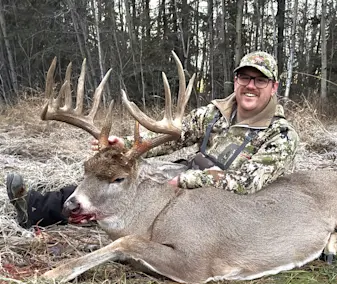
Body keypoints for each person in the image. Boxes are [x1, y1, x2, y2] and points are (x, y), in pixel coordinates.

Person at [7, 51, 299, 229]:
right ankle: (35, 209)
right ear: (236, 81)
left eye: (259, 80)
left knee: (134, 209)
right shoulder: (217, 111)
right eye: (245, 78)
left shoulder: (281, 135)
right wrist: (127, 149)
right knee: (116, 176)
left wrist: (188, 181)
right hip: (185, 173)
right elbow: (176, 135)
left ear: (273, 87)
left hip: (225, 203)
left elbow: (247, 184)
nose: (250, 86)